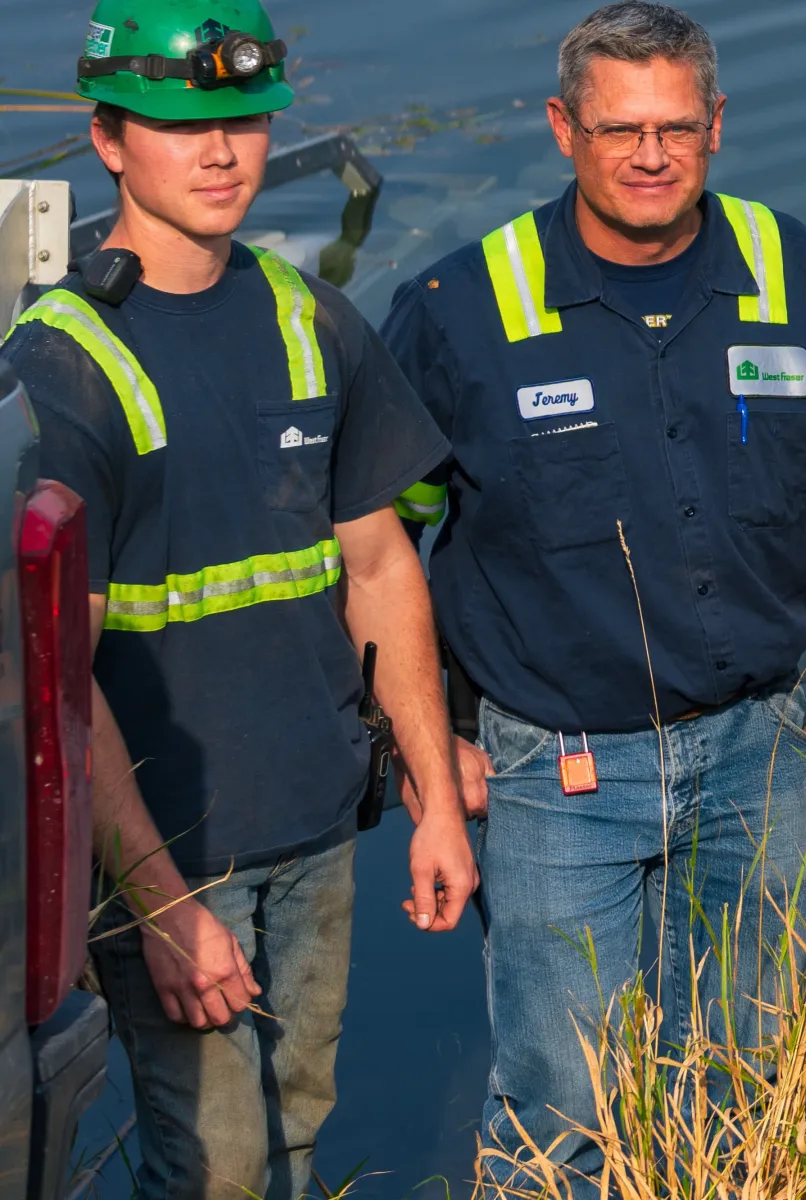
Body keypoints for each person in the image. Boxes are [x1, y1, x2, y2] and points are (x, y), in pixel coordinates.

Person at [378, 2, 806, 1189]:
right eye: (620, 129)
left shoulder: (793, 269)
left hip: (765, 755)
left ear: (718, 125)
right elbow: (374, 565)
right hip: (555, 775)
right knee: (559, 1104)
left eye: (678, 126)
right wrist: (422, 757)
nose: (651, 154)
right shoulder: (457, 311)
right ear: (563, 129)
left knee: (749, 1078)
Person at [1, 1, 476, 1195]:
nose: (220, 152)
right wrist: (159, 908)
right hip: (173, 852)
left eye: (243, 121)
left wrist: (434, 798)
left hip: (314, 820)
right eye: (179, 126)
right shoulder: (61, 365)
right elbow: (53, 676)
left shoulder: (309, 314)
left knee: (294, 1135)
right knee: (212, 1168)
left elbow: (378, 569)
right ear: (109, 142)